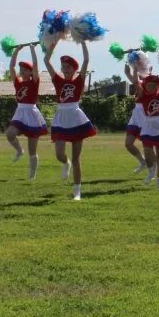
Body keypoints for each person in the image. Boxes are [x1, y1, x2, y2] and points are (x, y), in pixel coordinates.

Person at [44, 41, 97, 200]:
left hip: (76, 117)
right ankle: (65, 163)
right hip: (61, 117)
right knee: (59, 154)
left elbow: (86, 60)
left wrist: (82, 42)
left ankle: (77, 192)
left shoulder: (79, 80)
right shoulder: (58, 80)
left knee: (76, 158)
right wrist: (53, 44)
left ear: (75, 70)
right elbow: (46, 61)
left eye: (69, 67)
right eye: (64, 67)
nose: (65, 70)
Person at [3, 43, 47, 180]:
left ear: (30, 72)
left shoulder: (34, 82)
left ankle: (32, 175)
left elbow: (35, 64)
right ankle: (19, 150)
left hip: (32, 113)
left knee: (32, 149)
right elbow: (11, 67)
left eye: (24, 69)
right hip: (20, 112)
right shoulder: (18, 83)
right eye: (21, 69)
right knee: (10, 134)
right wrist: (16, 51)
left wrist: (32, 50)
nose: (21, 71)